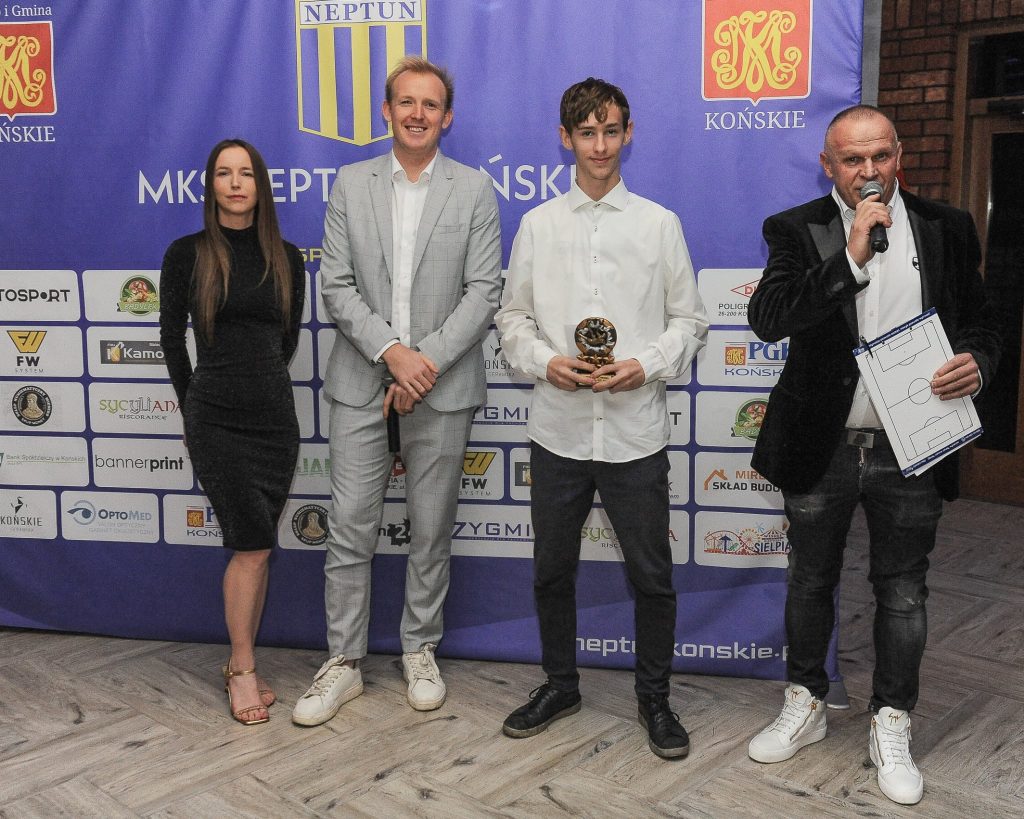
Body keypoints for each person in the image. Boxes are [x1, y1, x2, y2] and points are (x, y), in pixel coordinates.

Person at [745, 105, 1000, 805]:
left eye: (880, 156)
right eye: (853, 160)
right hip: (822, 445)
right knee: (810, 580)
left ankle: (892, 718)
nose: (869, 173)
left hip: (913, 444)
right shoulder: (796, 228)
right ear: (828, 165)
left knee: (904, 588)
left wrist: (978, 362)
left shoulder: (948, 226)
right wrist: (852, 257)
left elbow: (983, 320)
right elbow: (769, 318)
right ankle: (806, 701)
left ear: (899, 157)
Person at [494, 78, 708, 759]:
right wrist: (543, 361)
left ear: (628, 133)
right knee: (551, 573)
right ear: (566, 139)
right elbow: (511, 319)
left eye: (611, 131)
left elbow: (690, 321)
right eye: (586, 133)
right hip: (558, 430)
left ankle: (654, 697)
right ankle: (562, 685)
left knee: (652, 578)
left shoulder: (658, 224)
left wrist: (645, 363)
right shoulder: (538, 225)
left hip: (634, 432)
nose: (600, 145)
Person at [292, 56, 502, 725]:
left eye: (430, 104)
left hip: (442, 386)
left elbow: (484, 292)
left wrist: (423, 365)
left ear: (447, 116)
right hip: (361, 381)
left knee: (430, 531)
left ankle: (419, 648)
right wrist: (393, 354)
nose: (417, 114)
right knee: (349, 528)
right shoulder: (350, 184)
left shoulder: (474, 190)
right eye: (406, 102)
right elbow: (336, 286)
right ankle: (344, 662)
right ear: (386, 112)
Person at [160, 138, 305, 726]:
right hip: (215, 417)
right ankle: (242, 668)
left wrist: (260, 382)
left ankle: (243, 661)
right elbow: (172, 341)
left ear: (261, 185)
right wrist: (191, 408)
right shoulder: (187, 254)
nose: (237, 183)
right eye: (224, 173)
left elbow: (286, 340)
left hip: (274, 419)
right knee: (250, 545)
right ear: (211, 185)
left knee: (259, 545)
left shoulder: (287, 257)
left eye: (246, 173)